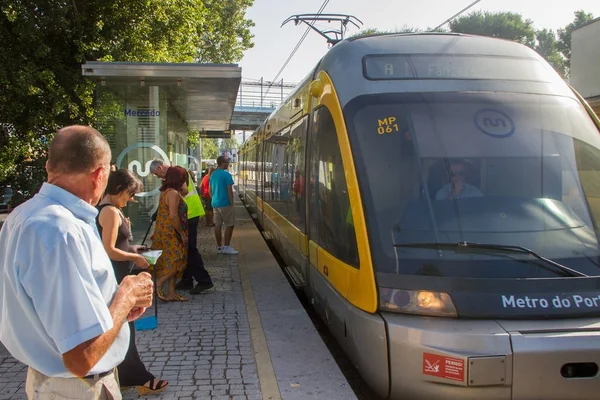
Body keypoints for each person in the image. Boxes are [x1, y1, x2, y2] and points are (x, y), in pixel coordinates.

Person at [0, 125, 153, 400]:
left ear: (49, 167)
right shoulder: (62, 232)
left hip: (51, 381)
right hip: (76, 388)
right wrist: (125, 296)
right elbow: (81, 357)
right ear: (99, 174)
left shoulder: (22, 217)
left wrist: (112, 310)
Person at [96, 169, 168, 395]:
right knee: (125, 329)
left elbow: (117, 245)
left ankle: (127, 377)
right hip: (118, 277)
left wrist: (134, 249)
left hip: (119, 273)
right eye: (128, 194)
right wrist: (135, 257)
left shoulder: (109, 209)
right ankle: (138, 378)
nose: (129, 200)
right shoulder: (109, 212)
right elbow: (109, 250)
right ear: (118, 190)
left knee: (124, 329)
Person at [150, 160, 214, 294]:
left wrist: (171, 198)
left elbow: (184, 190)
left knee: (189, 248)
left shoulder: (177, 173)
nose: (158, 177)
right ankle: (187, 279)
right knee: (184, 248)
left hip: (189, 214)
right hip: (186, 214)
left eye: (157, 174)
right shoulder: (173, 175)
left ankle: (204, 280)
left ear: (160, 167)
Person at [151, 166, 190, 301]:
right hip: (171, 232)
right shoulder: (173, 193)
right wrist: (182, 234)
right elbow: (173, 216)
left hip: (164, 231)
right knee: (177, 261)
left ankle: (171, 293)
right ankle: (159, 284)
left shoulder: (166, 191)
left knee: (170, 260)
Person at [209, 156, 238, 255]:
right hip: (225, 203)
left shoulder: (213, 174)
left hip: (215, 203)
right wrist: (232, 203)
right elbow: (229, 190)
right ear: (222, 163)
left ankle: (219, 247)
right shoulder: (226, 175)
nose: (228, 164)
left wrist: (214, 199)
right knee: (230, 224)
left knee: (217, 225)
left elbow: (210, 190)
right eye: (226, 162)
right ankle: (226, 247)